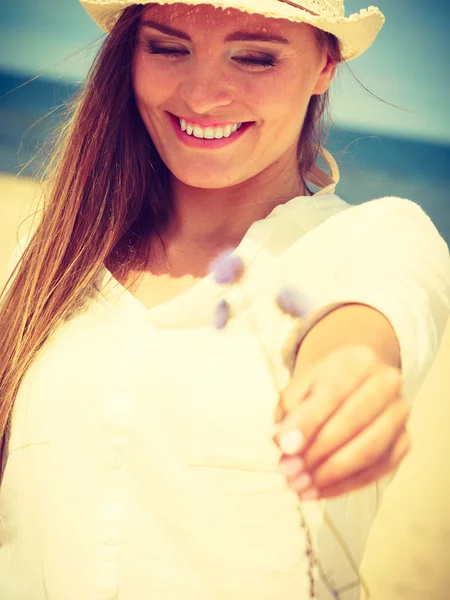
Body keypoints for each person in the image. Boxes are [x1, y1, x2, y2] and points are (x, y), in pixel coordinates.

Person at [0, 0, 449, 598]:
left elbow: (370, 319)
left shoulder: (375, 236)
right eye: (167, 47)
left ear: (325, 67)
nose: (203, 95)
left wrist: (350, 373)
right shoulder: (46, 256)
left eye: (256, 57)